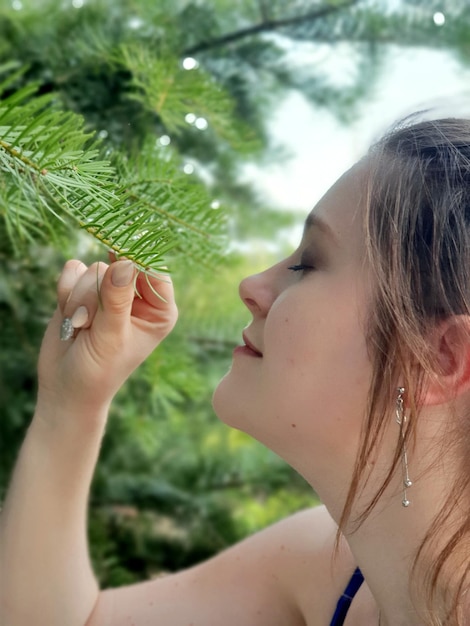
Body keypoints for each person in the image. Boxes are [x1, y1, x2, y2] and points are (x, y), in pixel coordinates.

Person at [0, 115, 469, 626]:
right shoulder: (329, 569)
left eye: (307, 263)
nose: (252, 286)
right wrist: (72, 401)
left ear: (438, 359)